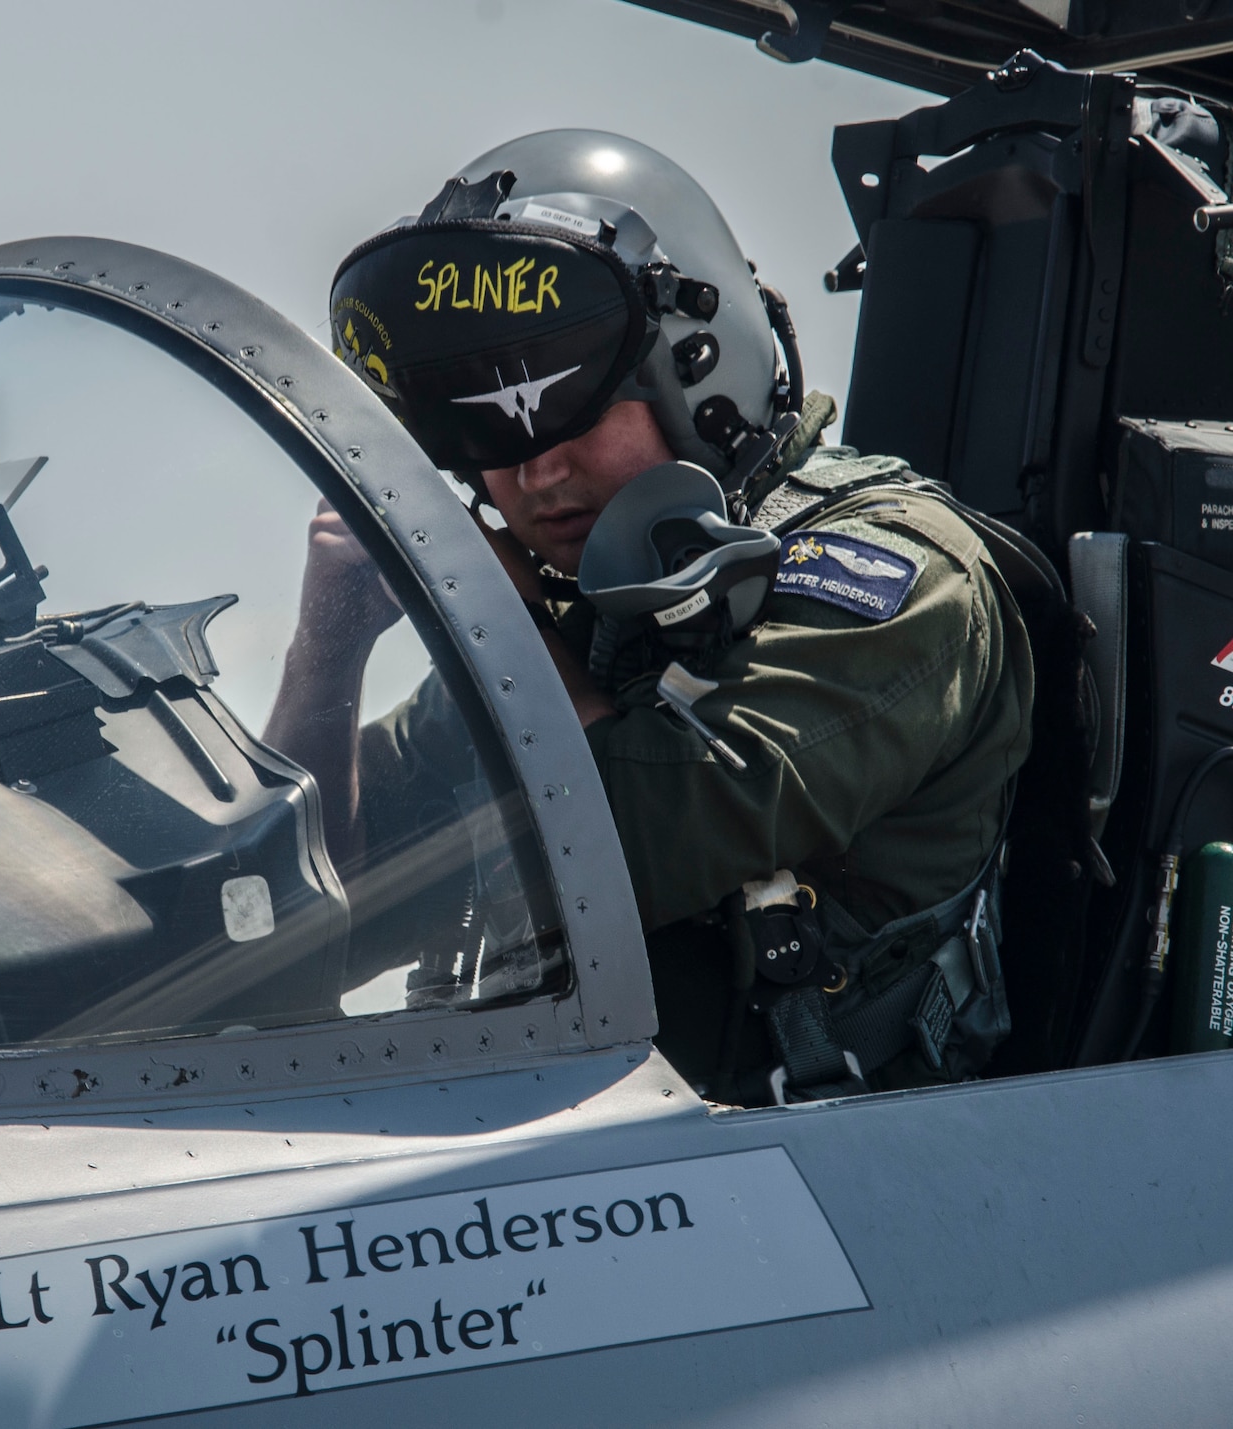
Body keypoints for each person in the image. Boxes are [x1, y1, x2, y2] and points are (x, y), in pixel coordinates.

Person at [266, 130, 1036, 1105]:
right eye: (488, 434)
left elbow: (612, 857)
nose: (534, 474)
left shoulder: (900, 580)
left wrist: (500, 633)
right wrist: (326, 646)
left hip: (831, 1184)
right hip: (582, 1179)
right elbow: (279, 924)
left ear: (696, 378)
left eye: (568, 410)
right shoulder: (571, 619)